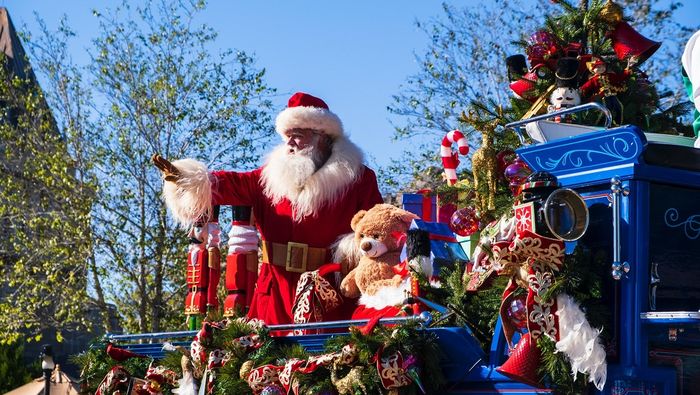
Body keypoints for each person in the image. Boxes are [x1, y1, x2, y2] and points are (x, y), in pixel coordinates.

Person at [153, 92, 383, 326]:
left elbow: (378, 229)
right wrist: (187, 178)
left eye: (298, 136)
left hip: (331, 295)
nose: (290, 143)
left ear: (322, 136)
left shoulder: (359, 179)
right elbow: (229, 184)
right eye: (287, 136)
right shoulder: (267, 177)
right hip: (273, 295)